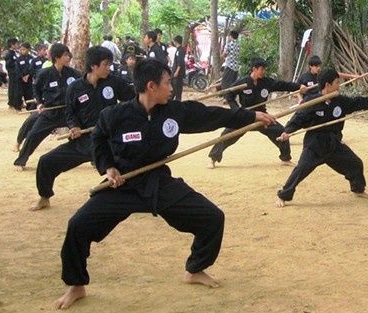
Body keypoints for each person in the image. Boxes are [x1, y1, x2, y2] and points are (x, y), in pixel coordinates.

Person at [51, 58, 277, 309]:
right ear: (151, 86)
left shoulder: (174, 112)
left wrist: (251, 115)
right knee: (78, 226)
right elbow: (99, 138)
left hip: (158, 182)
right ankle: (76, 284)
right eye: (168, 82)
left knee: (212, 218)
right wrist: (108, 167)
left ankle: (195, 269)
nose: (171, 88)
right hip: (123, 184)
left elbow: (212, 115)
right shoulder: (114, 115)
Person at [29, 46, 136, 211]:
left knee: (131, 166)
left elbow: (133, 98)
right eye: (106, 64)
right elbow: (70, 112)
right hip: (84, 140)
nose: (109, 68)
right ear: (93, 66)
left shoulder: (114, 82)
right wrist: (74, 126)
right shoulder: (76, 88)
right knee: (46, 161)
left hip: (109, 140)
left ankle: (134, 199)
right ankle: (44, 196)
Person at [275, 68, 368, 207]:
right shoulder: (311, 102)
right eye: (337, 82)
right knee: (301, 169)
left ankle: (358, 189)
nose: (339, 85)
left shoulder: (340, 101)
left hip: (334, 143)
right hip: (315, 144)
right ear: (327, 85)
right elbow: (298, 119)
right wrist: (287, 131)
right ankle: (283, 196)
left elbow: (361, 102)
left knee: (355, 163)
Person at [207, 57, 305, 169]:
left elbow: (283, 85)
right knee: (226, 136)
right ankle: (213, 159)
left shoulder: (266, 82)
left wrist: (299, 87)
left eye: (264, 69)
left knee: (280, 131)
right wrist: (236, 110)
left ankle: (285, 158)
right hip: (244, 115)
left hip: (262, 116)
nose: (264, 71)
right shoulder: (242, 83)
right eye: (262, 69)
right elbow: (229, 95)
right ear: (254, 69)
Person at [13, 44, 82, 169]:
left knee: (87, 132)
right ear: (56, 57)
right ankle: (21, 161)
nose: (69, 58)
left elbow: (83, 87)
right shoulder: (44, 74)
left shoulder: (74, 74)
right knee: (33, 134)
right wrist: (39, 103)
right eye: (66, 55)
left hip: (69, 112)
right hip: (50, 113)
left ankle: (95, 159)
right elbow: (36, 88)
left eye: (69, 55)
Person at [295, 55, 359, 104]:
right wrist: (300, 99)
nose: (318, 68)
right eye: (316, 66)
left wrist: (353, 76)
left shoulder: (322, 74)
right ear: (310, 66)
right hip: (309, 101)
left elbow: (337, 74)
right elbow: (297, 90)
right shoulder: (304, 77)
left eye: (319, 66)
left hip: (321, 99)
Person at [4, 38, 21, 110]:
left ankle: (16, 102)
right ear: (12, 45)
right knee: (12, 89)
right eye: (16, 44)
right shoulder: (9, 54)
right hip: (12, 74)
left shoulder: (14, 53)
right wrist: (12, 72)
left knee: (15, 89)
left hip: (16, 74)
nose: (17, 45)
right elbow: (8, 65)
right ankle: (12, 103)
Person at [171, 35, 185, 101]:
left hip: (178, 74)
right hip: (175, 73)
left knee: (178, 90)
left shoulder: (181, 50)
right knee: (174, 89)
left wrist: (177, 71)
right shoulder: (178, 50)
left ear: (176, 41)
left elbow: (180, 62)